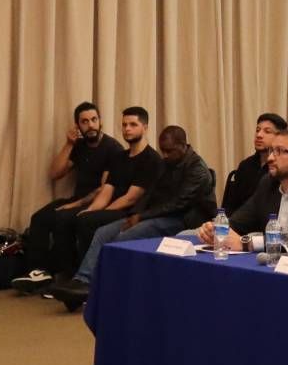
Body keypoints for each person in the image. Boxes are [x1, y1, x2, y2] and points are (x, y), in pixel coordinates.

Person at [53, 126, 216, 310]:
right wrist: (133, 214)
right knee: (103, 232)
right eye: (162, 150)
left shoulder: (197, 169)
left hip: (185, 219)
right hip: (158, 214)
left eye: (169, 151)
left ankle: (107, 287)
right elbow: (149, 193)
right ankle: (82, 280)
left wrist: (141, 217)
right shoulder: (166, 163)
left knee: (125, 237)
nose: (165, 155)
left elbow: (178, 204)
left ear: (183, 146)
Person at [197, 127, 288, 253]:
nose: (270, 158)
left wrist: (247, 243)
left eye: (279, 151)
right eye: (271, 151)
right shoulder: (268, 183)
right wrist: (216, 229)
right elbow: (239, 221)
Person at [22, 102, 124, 280]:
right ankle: (37, 272)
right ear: (78, 126)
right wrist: (69, 144)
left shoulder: (112, 148)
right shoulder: (79, 146)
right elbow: (55, 173)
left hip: (99, 203)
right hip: (77, 198)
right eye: (84, 121)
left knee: (63, 218)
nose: (90, 125)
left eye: (94, 120)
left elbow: (104, 189)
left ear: (101, 122)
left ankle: (66, 274)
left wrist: (74, 205)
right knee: (39, 218)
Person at [62, 106, 162, 274]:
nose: (127, 129)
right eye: (124, 125)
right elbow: (106, 191)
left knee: (87, 222)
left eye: (133, 124)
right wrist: (90, 210)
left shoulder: (151, 159)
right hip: (113, 208)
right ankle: (70, 274)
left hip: (131, 212)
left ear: (145, 128)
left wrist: (100, 214)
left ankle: (90, 276)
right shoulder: (120, 157)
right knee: (76, 218)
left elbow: (131, 198)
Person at [222, 113, 286, 217]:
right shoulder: (245, 165)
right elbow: (232, 205)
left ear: (279, 137)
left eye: (267, 131)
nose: (259, 135)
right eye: (257, 130)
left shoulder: (281, 168)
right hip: (239, 223)